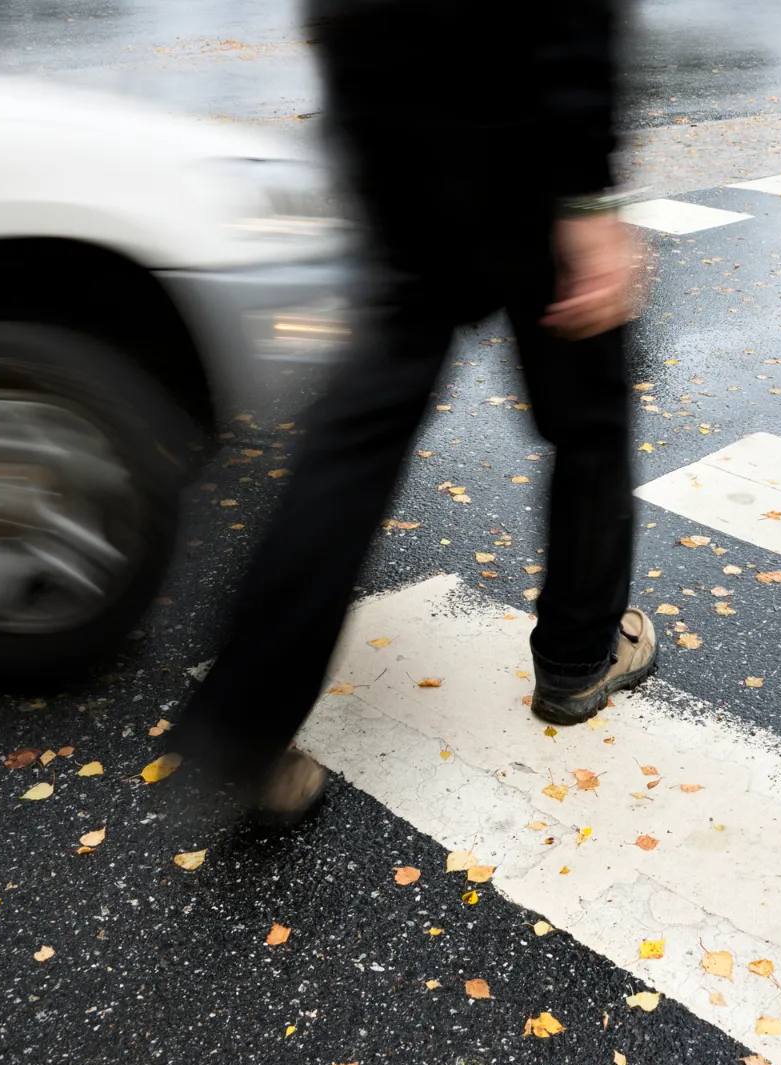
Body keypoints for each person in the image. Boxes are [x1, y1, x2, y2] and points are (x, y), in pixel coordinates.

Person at [170, 0, 653, 823]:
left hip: (387, 120)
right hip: (518, 130)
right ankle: (578, 658)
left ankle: (244, 720)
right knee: (589, 420)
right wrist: (584, 197)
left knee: (358, 435)